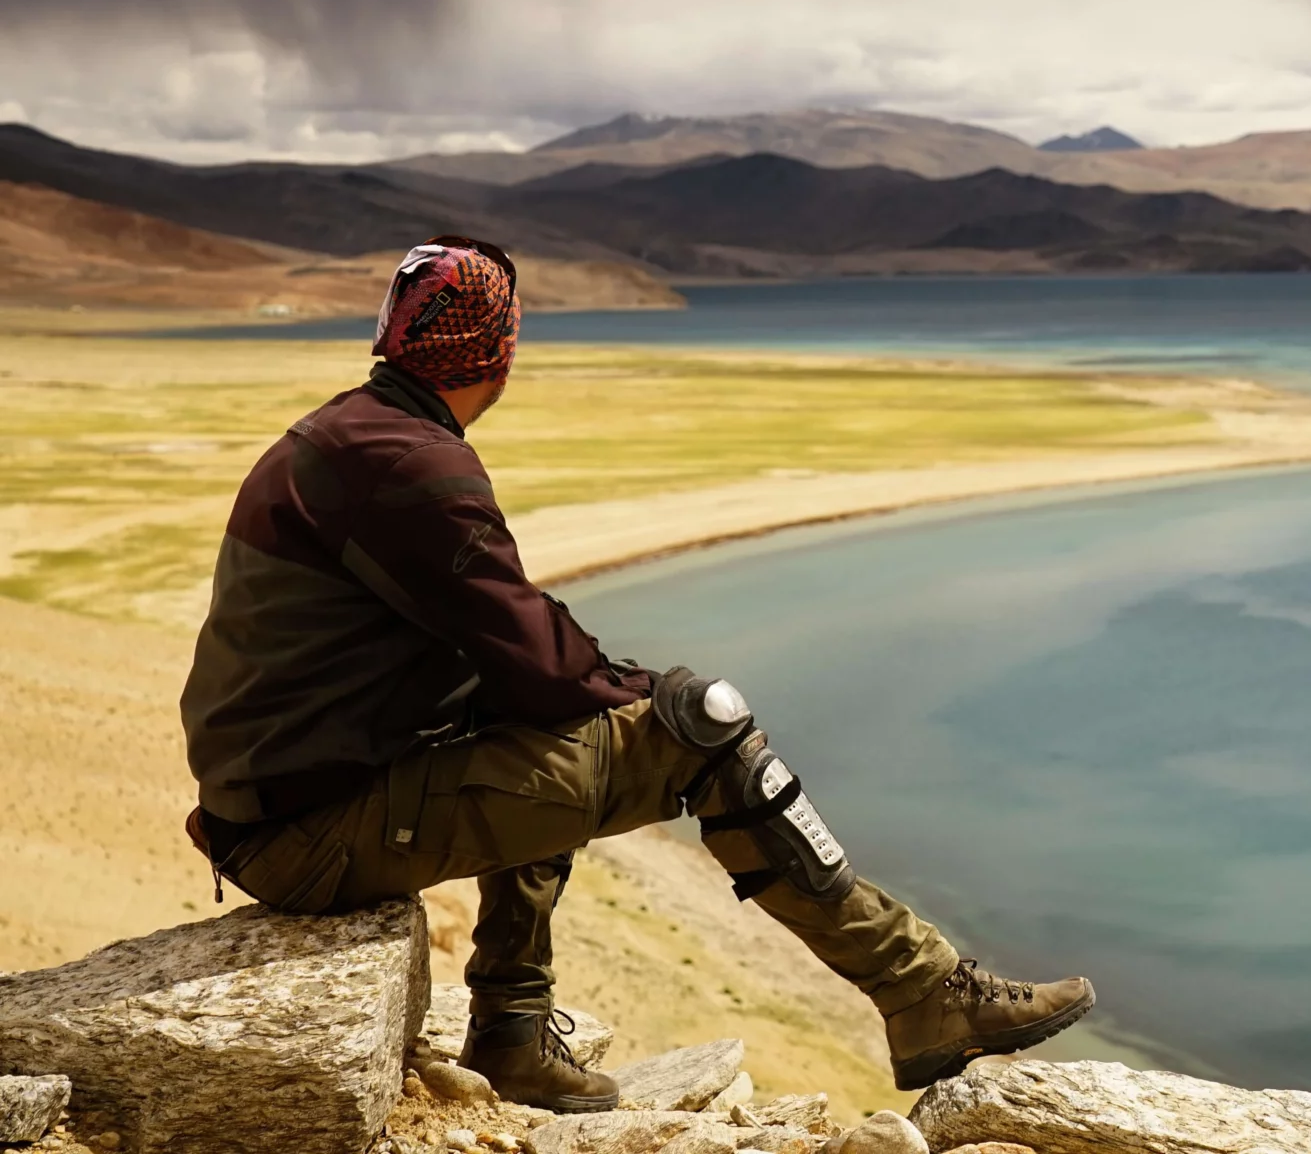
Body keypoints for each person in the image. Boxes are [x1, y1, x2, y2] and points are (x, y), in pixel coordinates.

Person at [179, 236, 1092, 1111]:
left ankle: (512, 1033)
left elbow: (510, 658)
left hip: (283, 813)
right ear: (498, 354)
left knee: (559, 726)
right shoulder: (411, 464)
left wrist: (606, 691)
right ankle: (924, 990)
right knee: (703, 728)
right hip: (312, 835)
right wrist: (656, 701)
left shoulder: (347, 434)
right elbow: (538, 660)